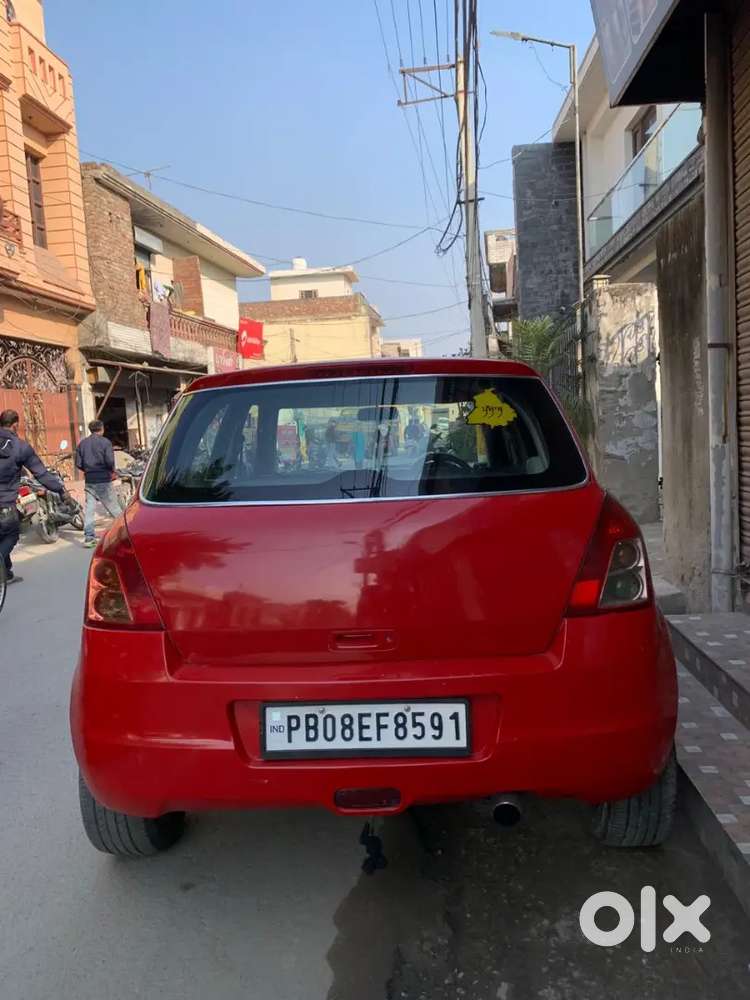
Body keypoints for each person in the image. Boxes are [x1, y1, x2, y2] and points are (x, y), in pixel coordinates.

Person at [0, 409, 67, 584]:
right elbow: (41, 474)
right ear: (15, 424)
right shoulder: (20, 446)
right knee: (11, 535)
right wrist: (60, 489)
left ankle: (6, 574)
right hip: (4, 502)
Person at [75, 420, 123, 548]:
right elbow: (109, 461)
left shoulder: (82, 444)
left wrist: (88, 471)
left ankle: (89, 537)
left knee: (90, 509)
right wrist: (112, 471)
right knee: (114, 508)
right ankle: (125, 533)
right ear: (101, 429)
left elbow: (78, 463)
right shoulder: (105, 442)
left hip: (90, 481)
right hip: (103, 480)